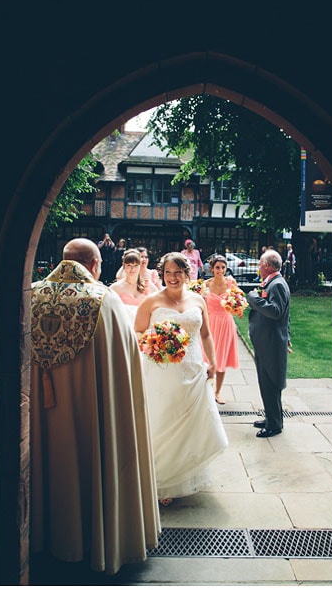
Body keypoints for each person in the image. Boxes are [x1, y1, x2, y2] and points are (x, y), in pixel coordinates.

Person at [29, 238, 159, 574]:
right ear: (95, 265)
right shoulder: (105, 301)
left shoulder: (30, 295)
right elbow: (123, 367)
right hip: (90, 415)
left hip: (38, 414)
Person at [134, 252, 228, 506]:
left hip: (193, 368)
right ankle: (162, 479)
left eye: (177, 273)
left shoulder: (198, 299)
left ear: (187, 274)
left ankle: (184, 474)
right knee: (165, 420)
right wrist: (156, 343)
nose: (172, 278)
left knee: (190, 423)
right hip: (162, 370)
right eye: (167, 273)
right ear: (162, 274)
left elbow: (206, 334)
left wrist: (213, 361)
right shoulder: (152, 301)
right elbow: (138, 332)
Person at [246, 249, 291, 438]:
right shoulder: (273, 282)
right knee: (266, 383)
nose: (258, 267)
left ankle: (274, 425)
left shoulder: (277, 285)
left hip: (271, 343)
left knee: (270, 382)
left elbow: (276, 312)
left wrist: (254, 298)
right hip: (267, 342)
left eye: (259, 264)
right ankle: (272, 417)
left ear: (266, 266)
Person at [202, 254, 241, 404]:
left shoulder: (231, 283)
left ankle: (217, 392)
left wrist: (238, 309)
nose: (220, 270)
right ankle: (205, 390)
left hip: (225, 323)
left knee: (221, 358)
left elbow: (238, 302)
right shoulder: (205, 285)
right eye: (217, 267)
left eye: (223, 267)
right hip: (210, 323)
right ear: (212, 269)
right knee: (206, 358)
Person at [109, 248, 153, 322]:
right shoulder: (115, 287)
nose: (132, 269)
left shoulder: (147, 284)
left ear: (140, 266)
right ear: (124, 266)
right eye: (129, 265)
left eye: (136, 265)